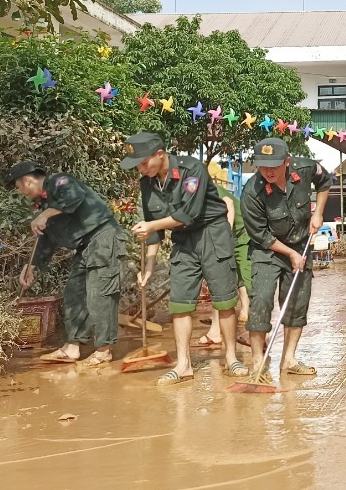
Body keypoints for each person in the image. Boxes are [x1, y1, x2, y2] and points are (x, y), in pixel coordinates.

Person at [124, 132, 244, 385]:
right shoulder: (147, 184)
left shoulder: (192, 170)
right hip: (183, 241)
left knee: (224, 300)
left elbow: (188, 214)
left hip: (212, 233)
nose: (141, 168)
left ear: (160, 154)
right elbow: (153, 228)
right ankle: (183, 365)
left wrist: (151, 225)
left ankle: (232, 358)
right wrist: (148, 266)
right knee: (180, 303)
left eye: (144, 162)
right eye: (137, 165)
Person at [10, 161, 125, 368]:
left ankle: (103, 350)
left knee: (100, 294)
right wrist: (32, 266)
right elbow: (46, 239)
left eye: (19, 187)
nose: (21, 192)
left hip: (103, 237)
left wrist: (44, 215)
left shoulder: (60, 182)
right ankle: (71, 347)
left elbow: (74, 198)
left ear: (27, 181)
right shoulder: (44, 205)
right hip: (84, 246)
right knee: (74, 293)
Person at [240, 136, 332, 377]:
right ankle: (258, 364)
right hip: (267, 249)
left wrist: (318, 213)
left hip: (302, 242)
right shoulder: (252, 192)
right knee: (260, 299)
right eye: (263, 165)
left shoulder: (305, 168)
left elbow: (325, 182)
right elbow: (260, 234)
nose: (268, 171)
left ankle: (288, 359)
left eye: (274, 165)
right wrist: (290, 253)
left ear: (287, 162)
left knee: (297, 302)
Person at [198, 186, 252, 350]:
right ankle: (217, 330)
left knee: (246, 276)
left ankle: (257, 328)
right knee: (223, 282)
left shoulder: (204, 187)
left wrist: (223, 239)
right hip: (226, 235)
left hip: (241, 232)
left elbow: (228, 204)